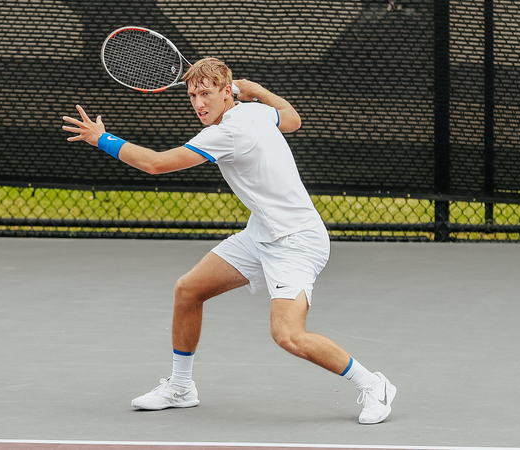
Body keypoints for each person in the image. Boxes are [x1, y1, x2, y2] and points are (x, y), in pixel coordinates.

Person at [61, 57, 396, 424]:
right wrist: (256, 91)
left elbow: (156, 163)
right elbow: (292, 118)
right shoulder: (254, 111)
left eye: (206, 93)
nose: (199, 103)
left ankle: (373, 384)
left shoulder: (228, 132)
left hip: (296, 241)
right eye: (192, 95)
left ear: (225, 92)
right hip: (262, 233)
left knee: (287, 335)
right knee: (188, 290)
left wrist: (100, 138)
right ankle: (181, 386)